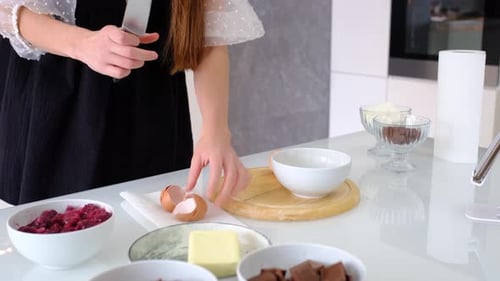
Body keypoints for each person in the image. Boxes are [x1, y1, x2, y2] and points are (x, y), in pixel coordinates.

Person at [0, 0, 264, 205]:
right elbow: (11, 10)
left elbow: (209, 33)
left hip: (152, 115)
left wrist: (215, 131)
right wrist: (84, 44)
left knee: (147, 233)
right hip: (59, 110)